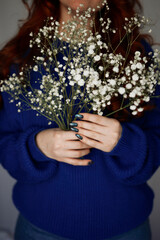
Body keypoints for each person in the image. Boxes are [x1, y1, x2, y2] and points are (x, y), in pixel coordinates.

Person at [0, 0, 160, 239]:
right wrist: (37, 146)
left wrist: (125, 142)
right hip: (40, 230)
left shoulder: (135, 54)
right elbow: (4, 145)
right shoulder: (19, 59)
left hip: (126, 229)